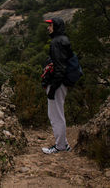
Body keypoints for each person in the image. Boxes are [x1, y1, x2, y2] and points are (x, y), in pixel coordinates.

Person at [41, 17, 72, 154]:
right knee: (57, 113)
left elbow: (60, 68)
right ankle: (63, 144)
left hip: (58, 83)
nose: (48, 28)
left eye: (51, 25)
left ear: (56, 26)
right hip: (62, 82)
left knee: (56, 116)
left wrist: (53, 88)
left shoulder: (56, 42)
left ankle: (60, 147)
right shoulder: (63, 40)